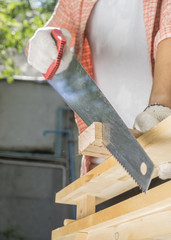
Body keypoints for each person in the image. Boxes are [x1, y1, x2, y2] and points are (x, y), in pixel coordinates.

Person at [27, 0, 171, 179]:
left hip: (163, 156)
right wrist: (44, 42)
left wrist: (160, 113)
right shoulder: (75, 2)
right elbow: (49, 38)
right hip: (102, 169)